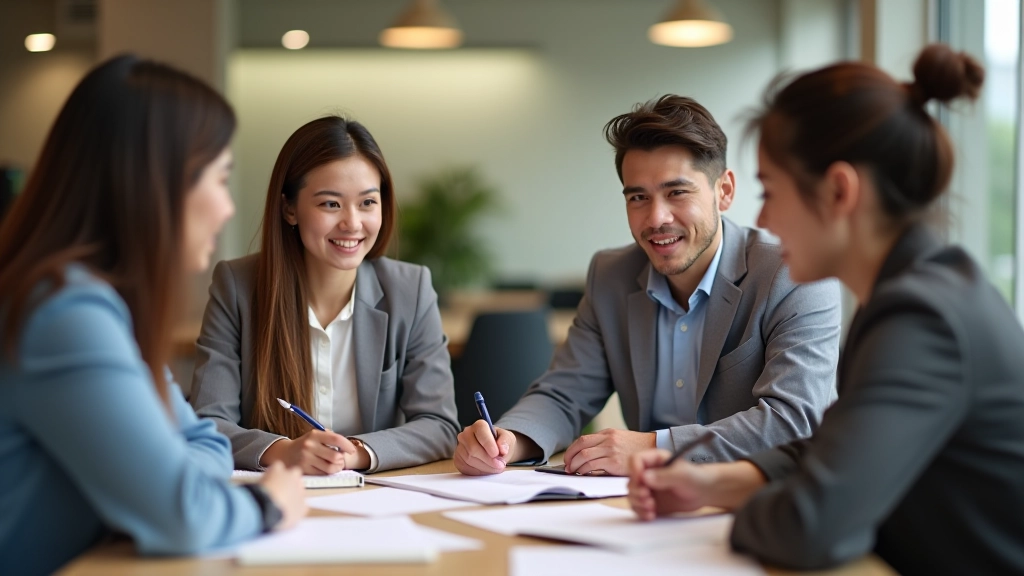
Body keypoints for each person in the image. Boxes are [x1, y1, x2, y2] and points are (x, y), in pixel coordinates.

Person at [628, 44, 1024, 574]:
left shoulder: (921, 318)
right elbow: (834, 447)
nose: (763, 216)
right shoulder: (914, 292)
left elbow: (809, 526)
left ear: (839, 191)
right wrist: (709, 483)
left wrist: (732, 511)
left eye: (770, 190)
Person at [0, 55, 307, 576]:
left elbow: (204, 442)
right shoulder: (65, 314)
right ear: (156, 185)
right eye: (219, 179)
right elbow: (183, 515)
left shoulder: (100, 304)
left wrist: (170, 481)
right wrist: (268, 502)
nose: (228, 207)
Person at [455, 95, 842, 477]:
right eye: (638, 197)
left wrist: (655, 448)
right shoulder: (611, 275)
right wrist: (509, 440)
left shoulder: (793, 274)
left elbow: (794, 422)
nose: (656, 218)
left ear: (723, 191)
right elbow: (564, 393)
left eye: (677, 192)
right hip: (643, 510)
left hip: (762, 505)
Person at [190, 116, 460, 474]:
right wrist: (282, 451)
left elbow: (439, 425)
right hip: (275, 496)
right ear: (289, 209)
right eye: (330, 204)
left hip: (377, 501)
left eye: (367, 203)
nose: (352, 223)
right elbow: (208, 423)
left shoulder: (410, 290)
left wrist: (358, 453)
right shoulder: (237, 286)